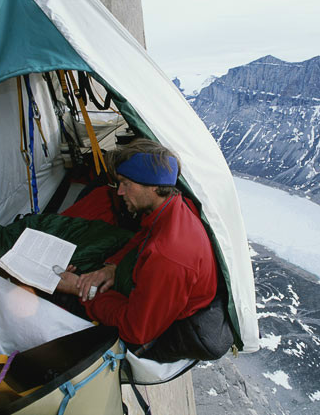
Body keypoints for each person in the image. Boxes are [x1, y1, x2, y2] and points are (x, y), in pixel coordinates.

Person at [57, 139, 223, 360]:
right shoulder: (172, 206)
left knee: (58, 299)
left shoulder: (169, 256)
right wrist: (112, 267)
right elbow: (144, 235)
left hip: (161, 330)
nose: (120, 192)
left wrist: (80, 290)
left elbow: (136, 331)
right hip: (158, 300)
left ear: (153, 186)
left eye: (126, 184)